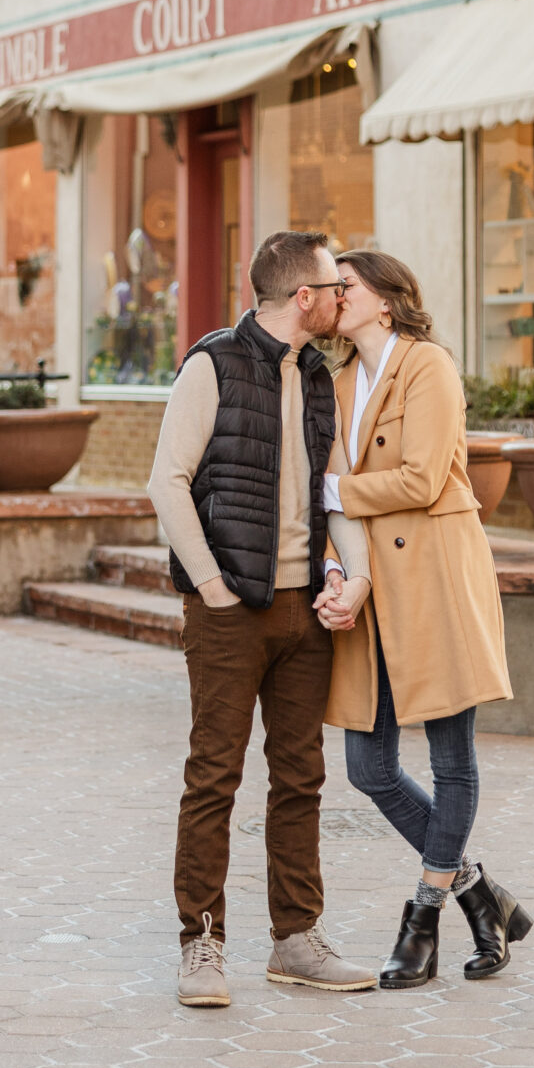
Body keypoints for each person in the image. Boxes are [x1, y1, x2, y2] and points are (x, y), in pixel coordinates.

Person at [149, 229, 377, 1010]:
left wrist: (356, 577)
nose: (343, 296)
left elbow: (335, 488)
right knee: (213, 776)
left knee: (300, 777)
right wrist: (211, 586)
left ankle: (295, 940)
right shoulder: (212, 364)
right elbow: (167, 482)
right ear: (303, 297)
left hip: (304, 611)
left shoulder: (318, 374)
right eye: (332, 286)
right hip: (228, 610)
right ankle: (201, 944)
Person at [314, 249, 530, 990]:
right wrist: (337, 569)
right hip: (373, 590)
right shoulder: (335, 382)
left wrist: (334, 488)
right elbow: (335, 503)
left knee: (449, 757)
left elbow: (425, 475)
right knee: (367, 766)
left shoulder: (427, 365)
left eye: (347, 285)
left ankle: (422, 921)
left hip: (435, 577)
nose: (334, 296)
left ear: (385, 299)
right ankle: (481, 895)